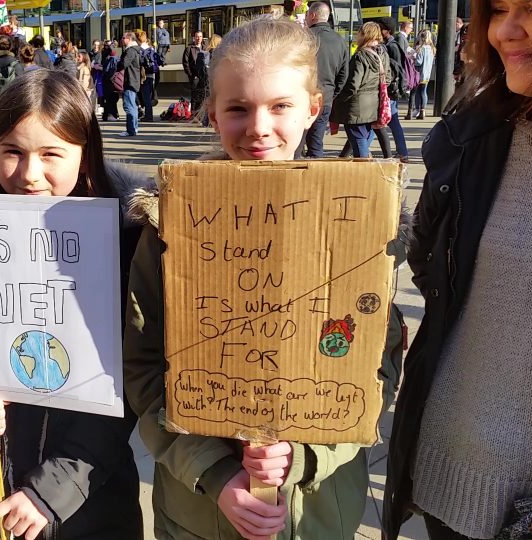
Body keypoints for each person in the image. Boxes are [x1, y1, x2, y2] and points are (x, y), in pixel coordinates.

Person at [125, 15, 403, 540]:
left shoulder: (365, 230)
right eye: (237, 108)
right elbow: (142, 371)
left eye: (280, 106)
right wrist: (216, 471)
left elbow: (378, 369)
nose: (257, 127)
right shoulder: (170, 228)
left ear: (313, 110)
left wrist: (308, 451)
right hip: (202, 511)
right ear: (211, 114)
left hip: (318, 510)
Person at [384, 0, 532, 537]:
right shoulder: (470, 137)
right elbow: (434, 273)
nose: (506, 30)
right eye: (498, 8)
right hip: (439, 468)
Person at [0, 69, 147, 540]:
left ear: (85, 157)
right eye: (13, 153)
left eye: (50, 155)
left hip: (86, 499)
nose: (28, 175)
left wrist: (55, 490)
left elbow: (128, 389)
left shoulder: (124, 246)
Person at [331, 22, 391, 158]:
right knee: (362, 136)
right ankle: (347, 159)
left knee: (358, 139)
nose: (357, 36)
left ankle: (364, 169)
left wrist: (338, 98)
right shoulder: (383, 54)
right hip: (373, 105)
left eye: (359, 33)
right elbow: (387, 78)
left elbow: (353, 84)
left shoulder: (361, 56)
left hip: (357, 106)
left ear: (365, 35)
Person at [304, 1, 349, 158]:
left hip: (303, 95)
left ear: (313, 16)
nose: (306, 18)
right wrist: (331, 93)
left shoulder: (304, 38)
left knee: (298, 140)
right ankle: (316, 174)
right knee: (316, 139)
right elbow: (344, 75)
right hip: (326, 98)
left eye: (307, 14)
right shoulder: (339, 40)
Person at [378, 17, 409, 161]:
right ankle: (402, 152)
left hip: (390, 91)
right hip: (391, 91)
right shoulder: (390, 45)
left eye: (380, 27)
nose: (378, 30)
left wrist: (390, 88)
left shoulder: (392, 46)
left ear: (387, 31)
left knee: (380, 121)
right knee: (391, 121)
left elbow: (396, 70)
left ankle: (360, 150)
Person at [119, 32, 141, 137]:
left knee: (129, 106)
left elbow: (123, 64)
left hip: (130, 81)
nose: (122, 40)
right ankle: (134, 128)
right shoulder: (135, 50)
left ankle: (131, 130)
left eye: (123, 38)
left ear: (129, 39)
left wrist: (117, 63)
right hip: (134, 81)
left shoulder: (131, 51)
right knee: (133, 106)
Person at [411, 30, 435, 120]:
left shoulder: (421, 48)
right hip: (427, 73)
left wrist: (413, 57)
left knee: (417, 92)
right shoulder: (432, 48)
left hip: (419, 73)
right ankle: (423, 110)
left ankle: (417, 109)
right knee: (424, 92)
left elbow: (418, 62)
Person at [136, 30, 157, 122]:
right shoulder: (151, 48)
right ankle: (148, 115)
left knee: (145, 97)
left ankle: (148, 116)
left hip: (143, 76)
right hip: (151, 75)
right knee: (147, 96)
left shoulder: (140, 50)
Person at [101, 44, 120, 122]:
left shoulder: (111, 59)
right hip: (114, 82)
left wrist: (101, 68)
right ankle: (113, 114)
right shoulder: (117, 58)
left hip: (109, 82)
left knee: (109, 99)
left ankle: (110, 114)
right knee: (113, 99)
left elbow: (107, 71)